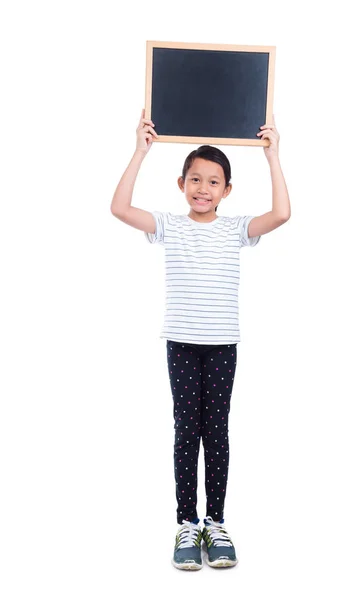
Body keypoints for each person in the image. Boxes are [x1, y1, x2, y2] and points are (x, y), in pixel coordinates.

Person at [111, 109, 291, 570]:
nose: (203, 189)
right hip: (182, 345)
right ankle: (186, 523)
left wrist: (274, 156)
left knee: (218, 434)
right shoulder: (170, 225)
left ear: (226, 190)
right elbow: (119, 208)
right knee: (185, 433)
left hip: (222, 346)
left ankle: (216, 522)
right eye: (195, 179)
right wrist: (139, 151)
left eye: (213, 182)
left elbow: (283, 213)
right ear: (181, 184)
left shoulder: (236, 229)